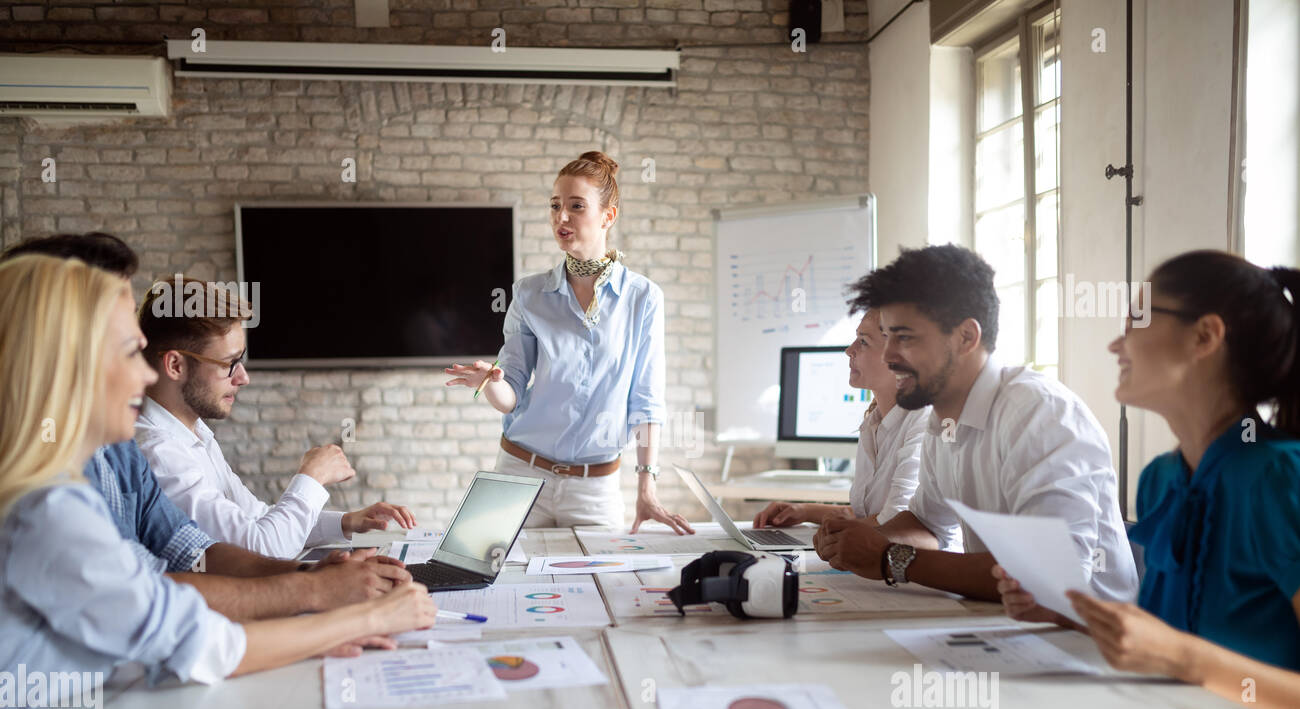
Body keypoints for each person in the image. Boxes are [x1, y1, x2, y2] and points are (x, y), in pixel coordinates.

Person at [0, 255, 438, 709]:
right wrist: (357, 617)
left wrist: (315, 579)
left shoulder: (71, 477)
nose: (143, 375)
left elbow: (197, 555)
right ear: (67, 367)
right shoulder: (48, 508)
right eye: (131, 352)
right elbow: (193, 631)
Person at [986, 251, 1300, 709]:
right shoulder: (1162, 480)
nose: (1114, 341)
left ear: (1206, 335)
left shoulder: (1280, 481)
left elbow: (1183, 653)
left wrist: (1180, 656)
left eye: (1135, 317)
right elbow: (1171, 637)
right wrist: (1070, 614)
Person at [0, 233, 411, 620]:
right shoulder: (131, 459)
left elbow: (203, 552)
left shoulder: (142, 448)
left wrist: (321, 566)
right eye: (230, 364)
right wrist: (311, 483)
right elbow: (173, 599)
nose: (243, 377)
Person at [812, 244, 1138, 604]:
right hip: (1006, 628)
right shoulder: (943, 421)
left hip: (1085, 645)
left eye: (904, 338)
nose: (889, 357)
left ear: (966, 337)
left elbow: (1050, 576)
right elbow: (927, 524)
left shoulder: (1037, 414)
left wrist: (891, 559)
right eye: (887, 337)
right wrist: (859, 544)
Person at [445, 150, 693, 534]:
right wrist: (491, 385)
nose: (561, 217)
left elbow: (646, 401)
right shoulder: (529, 294)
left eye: (576, 206)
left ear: (608, 215)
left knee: (602, 590)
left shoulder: (643, 298)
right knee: (503, 586)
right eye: (555, 206)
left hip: (596, 489)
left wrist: (647, 487)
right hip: (520, 475)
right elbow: (509, 388)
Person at [133, 275, 416, 560]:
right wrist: (312, 477)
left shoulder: (195, 434)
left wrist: (346, 523)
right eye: (230, 363)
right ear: (175, 365)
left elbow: (256, 519)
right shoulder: (158, 453)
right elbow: (261, 551)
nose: (243, 378)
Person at [754, 307, 928, 531]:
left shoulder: (923, 424)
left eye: (863, 341)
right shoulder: (872, 424)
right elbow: (869, 515)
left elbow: (895, 520)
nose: (849, 350)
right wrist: (804, 511)